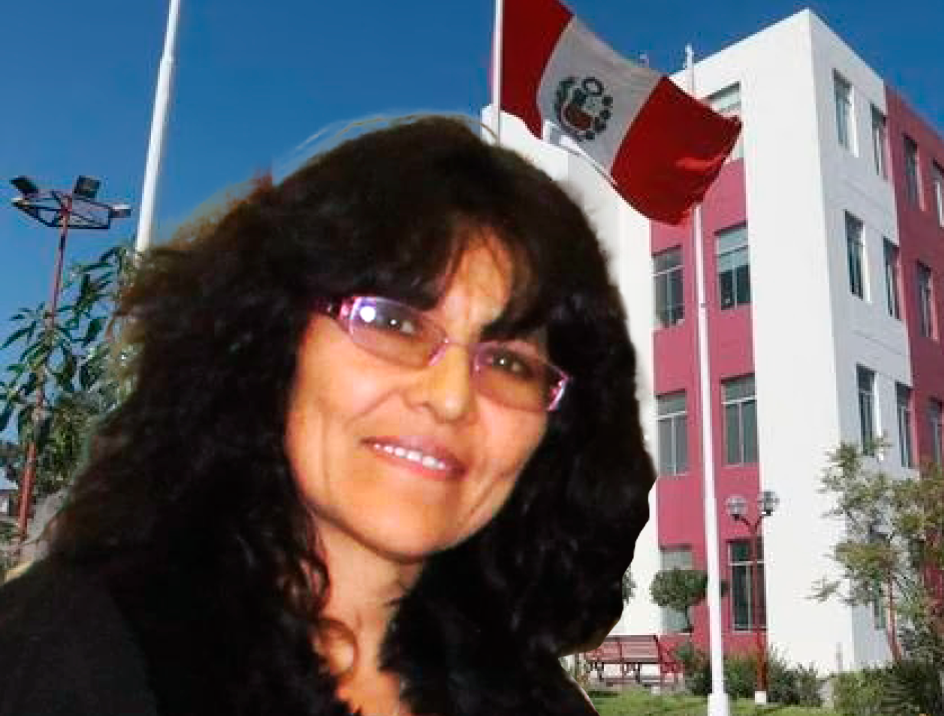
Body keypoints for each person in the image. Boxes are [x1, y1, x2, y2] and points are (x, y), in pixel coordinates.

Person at [0, 116, 655, 716]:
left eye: (509, 362)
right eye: (393, 322)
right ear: (273, 340)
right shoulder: (70, 658)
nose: (451, 396)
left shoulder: (533, 698)